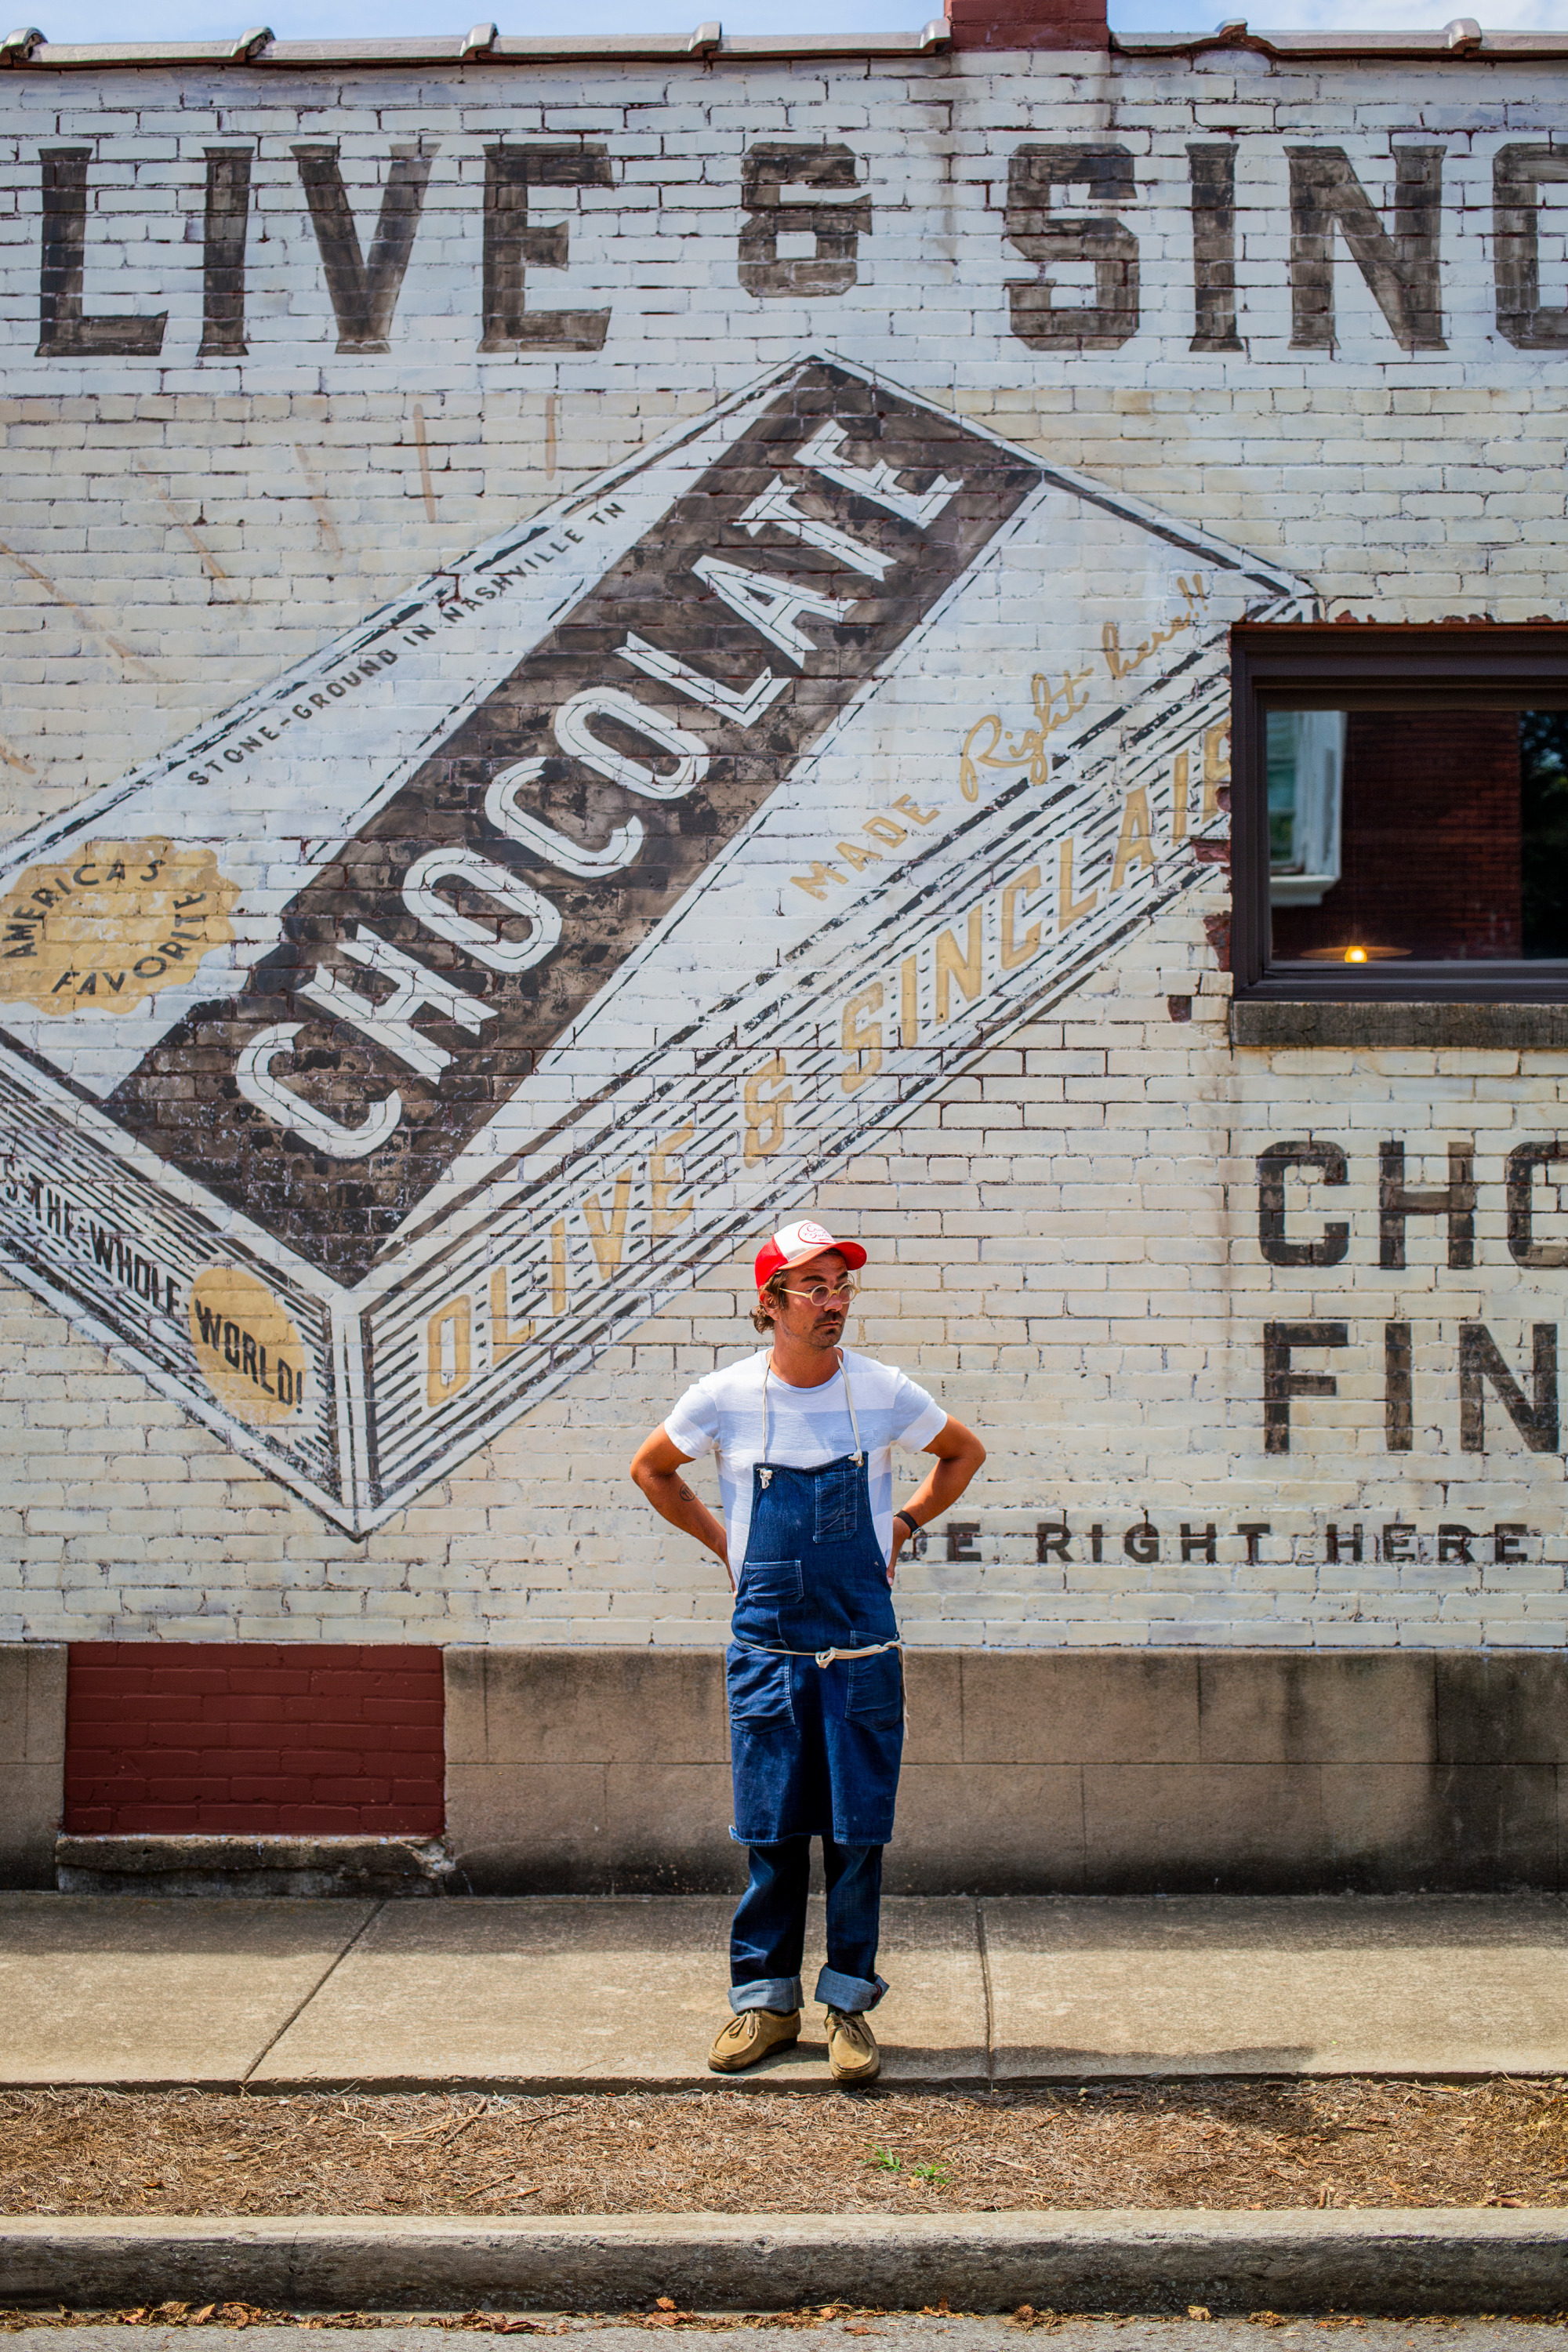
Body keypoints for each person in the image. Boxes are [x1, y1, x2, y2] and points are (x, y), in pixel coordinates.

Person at [628, 1217, 985, 2084]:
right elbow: (651, 1470)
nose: (834, 1303)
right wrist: (727, 1548)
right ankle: (763, 2004)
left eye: (840, 1287)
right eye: (815, 1288)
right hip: (767, 1651)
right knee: (772, 1834)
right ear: (771, 1302)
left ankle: (848, 2009)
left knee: (856, 1838)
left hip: (860, 1648)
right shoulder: (722, 1398)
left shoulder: (881, 1391)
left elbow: (961, 1453)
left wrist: (901, 1523)